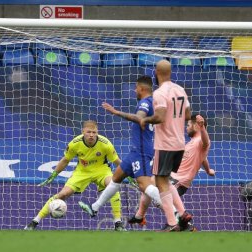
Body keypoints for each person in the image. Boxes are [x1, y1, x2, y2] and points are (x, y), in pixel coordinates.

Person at [78, 75, 162, 227]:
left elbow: (139, 118)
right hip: (136, 150)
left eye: (136, 87)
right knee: (116, 177)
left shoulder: (145, 102)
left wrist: (116, 112)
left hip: (142, 151)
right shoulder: (153, 102)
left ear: (141, 88)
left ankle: (174, 212)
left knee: (144, 185)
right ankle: (94, 208)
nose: (134, 90)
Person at [25, 120, 126, 231]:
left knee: (113, 185)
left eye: (94, 132)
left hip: (101, 171)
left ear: (97, 132)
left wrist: (127, 174)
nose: (91, 135)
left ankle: (118, 223)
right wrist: (54, 174)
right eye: (88, 132)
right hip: (81, 172)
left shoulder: (106, 144)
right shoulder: (75, 143)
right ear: (83, 132)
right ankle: (34, 222)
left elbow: (117, 161)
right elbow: (65, 160)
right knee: (62, 194)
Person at [131, 114, 215, 231]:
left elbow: (206, 143)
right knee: (148, 186)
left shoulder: (201, 140)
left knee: (159, 195)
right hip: (172, 177)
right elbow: (203, 158)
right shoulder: (192, 143)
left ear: (196, 126)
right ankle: (140, 216)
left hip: (179, 181)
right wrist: (208, 170)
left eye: (189, 125)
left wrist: (203, 128)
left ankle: (180, 224)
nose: (187, 127)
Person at [140, 59, 192, 231]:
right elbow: (187, 115)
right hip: (180, 143)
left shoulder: (159, 93)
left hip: (165, 144)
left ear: (157, 72)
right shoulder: (180, 89)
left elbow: (160, 116)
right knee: (165, 180)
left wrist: (145, 119)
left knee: (161, 181)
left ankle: (171, 222)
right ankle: (183, 214)